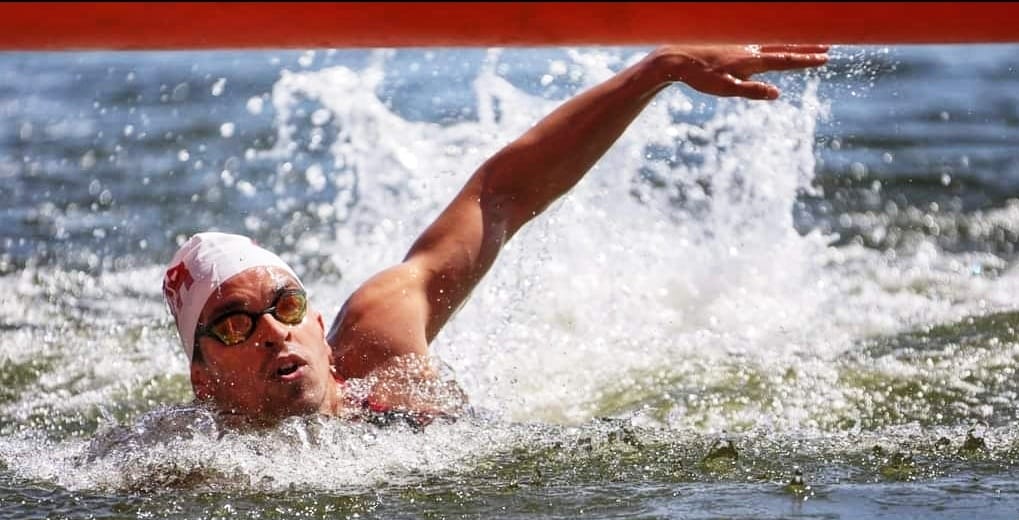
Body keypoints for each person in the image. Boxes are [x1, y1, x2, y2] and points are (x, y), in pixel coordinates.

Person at [163, 45, 830, 427]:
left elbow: (502, 193)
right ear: (203, 380)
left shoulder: (378, 340)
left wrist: (658, 71)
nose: (273, 331)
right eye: (234, 325)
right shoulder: (192, 462)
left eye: (286, 306)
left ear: (313, 320)